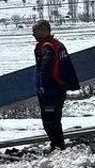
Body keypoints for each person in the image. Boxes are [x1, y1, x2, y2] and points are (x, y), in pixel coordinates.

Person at [33, 20, 78, 149]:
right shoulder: (57, 44)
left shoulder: (47, 47)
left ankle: (57, 145)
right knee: (54, 119)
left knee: (49, 120)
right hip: (58, 88)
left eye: (35, 30)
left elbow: (46, 68)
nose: (33, 34)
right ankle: (57, 143)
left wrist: (43, 85)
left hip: (51, 90)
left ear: (45, 31)